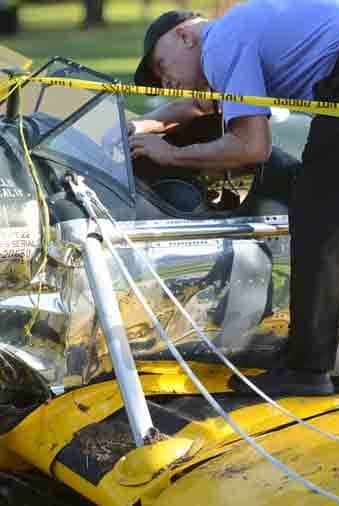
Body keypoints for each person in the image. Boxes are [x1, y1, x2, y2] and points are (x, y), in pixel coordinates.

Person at [128, 1, 339, 396]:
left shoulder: (220, 41)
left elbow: (251, 146)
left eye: (160, 66)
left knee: (319, 223)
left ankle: (307, 369)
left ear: (185, 35)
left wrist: (170, 154)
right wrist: (140, 126)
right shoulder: (237, 35)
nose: (164, 82)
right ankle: (311, 355)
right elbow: (199, 104)